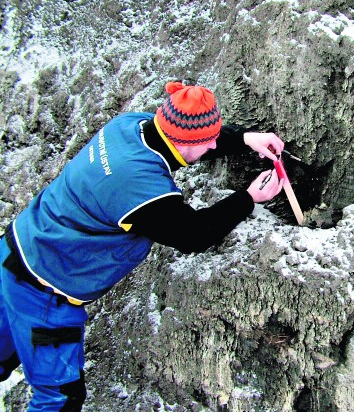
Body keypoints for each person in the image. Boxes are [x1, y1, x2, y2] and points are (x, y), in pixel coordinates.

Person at [0, 81, 285, 411]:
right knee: (60, 397)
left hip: (16, 247)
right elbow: (192, 234)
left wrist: (245, 139)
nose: (211, 148)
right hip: (45, 287)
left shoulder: (131, 126)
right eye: (207, 142)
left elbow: (185, 141)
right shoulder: (139, 188)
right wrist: (249, 198)